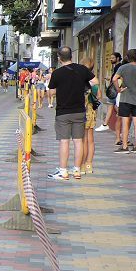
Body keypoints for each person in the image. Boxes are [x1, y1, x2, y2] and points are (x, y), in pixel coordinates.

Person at [46, 46, 97, 181]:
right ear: (71, 57)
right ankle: (77, 171)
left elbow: (50, 92)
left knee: (64, 141)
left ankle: (63, 171)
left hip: (63, 112)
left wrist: (61, 89)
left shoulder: (57, 73)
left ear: (59, 58)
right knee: (78, 141)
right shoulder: (82, 69)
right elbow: (95, 82)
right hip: (80, 111)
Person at [78, 55, 99, 175]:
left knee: (83, 140)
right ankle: (89, 164)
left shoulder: (81, 80)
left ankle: (80, 165)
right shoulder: (94, 80)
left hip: (82, 111)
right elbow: (98, 95)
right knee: (91, 140)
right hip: (92, 111)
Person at [95, 51, 124, 137]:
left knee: (112, 106)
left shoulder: (119, 67)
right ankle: (105, 124)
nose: (111, 59)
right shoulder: (117, 67)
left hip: (115, 90)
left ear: (118, 58)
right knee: (112, 107)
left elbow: (119, 78)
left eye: (113, 58)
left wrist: (118, 86)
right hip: (115, 89)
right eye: (110, 58)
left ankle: (105, 124)